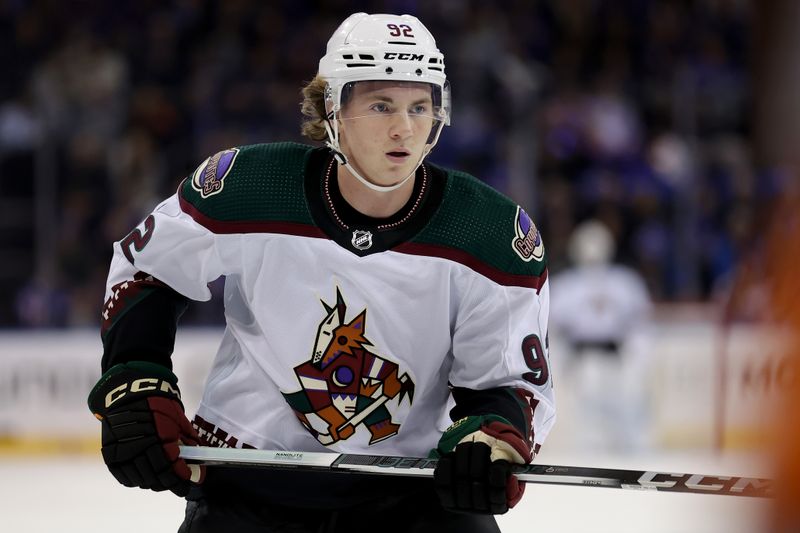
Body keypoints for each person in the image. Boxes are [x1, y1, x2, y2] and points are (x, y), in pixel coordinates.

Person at [87, 12, 554, 533]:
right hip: (248, 477)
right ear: (332, 108)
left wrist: (495, 435)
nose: (405, 128)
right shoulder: (248, 185)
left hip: (415, 488)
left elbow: (506, 381)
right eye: (381, 105)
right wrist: (135, 376)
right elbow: (147, 270)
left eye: (420, 106)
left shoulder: (489, 232)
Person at [549, 219, 653, 453]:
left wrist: (637, 354)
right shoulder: (565, 286)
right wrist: (561, 359)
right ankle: (592, 450)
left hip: (616, 354)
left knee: (627, 400)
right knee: (588, 405)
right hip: (583, 356)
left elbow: (639, 323)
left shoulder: (624, 282)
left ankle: (632, 445)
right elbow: (553, 328)